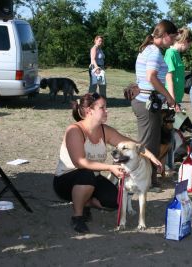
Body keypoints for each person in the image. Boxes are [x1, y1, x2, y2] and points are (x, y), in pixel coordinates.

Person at [53, 92, 162, 233]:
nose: (106, 111)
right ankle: (78, 216)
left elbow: (132, 144)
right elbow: (80, 162)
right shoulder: (74, 130)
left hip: (92, 178)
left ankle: (85, 201)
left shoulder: (105, 130)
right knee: (86, 175)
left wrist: (152, 157)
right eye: (102, 108)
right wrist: (110, 167)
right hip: (66, 180)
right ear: (89, 111)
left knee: (114, 201)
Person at [132, 20, 177, 191]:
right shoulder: (155, 52)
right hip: (147, 104)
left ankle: (149, 180)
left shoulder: (149, 49)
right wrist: (168, 96)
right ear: (165, 35)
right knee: (147, 146)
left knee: (151, 143)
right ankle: (143, 182)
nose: (173, 41)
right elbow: (152, 77)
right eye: (172, 37)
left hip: (148, 103)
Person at [164, 27, 192, 108]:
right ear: (184, 41)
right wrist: (172, 100)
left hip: (177, 99)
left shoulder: (177, 54)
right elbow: (168, 77)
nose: (188, 47)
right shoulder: (170, 53)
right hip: (170, 100)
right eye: (189, 44)